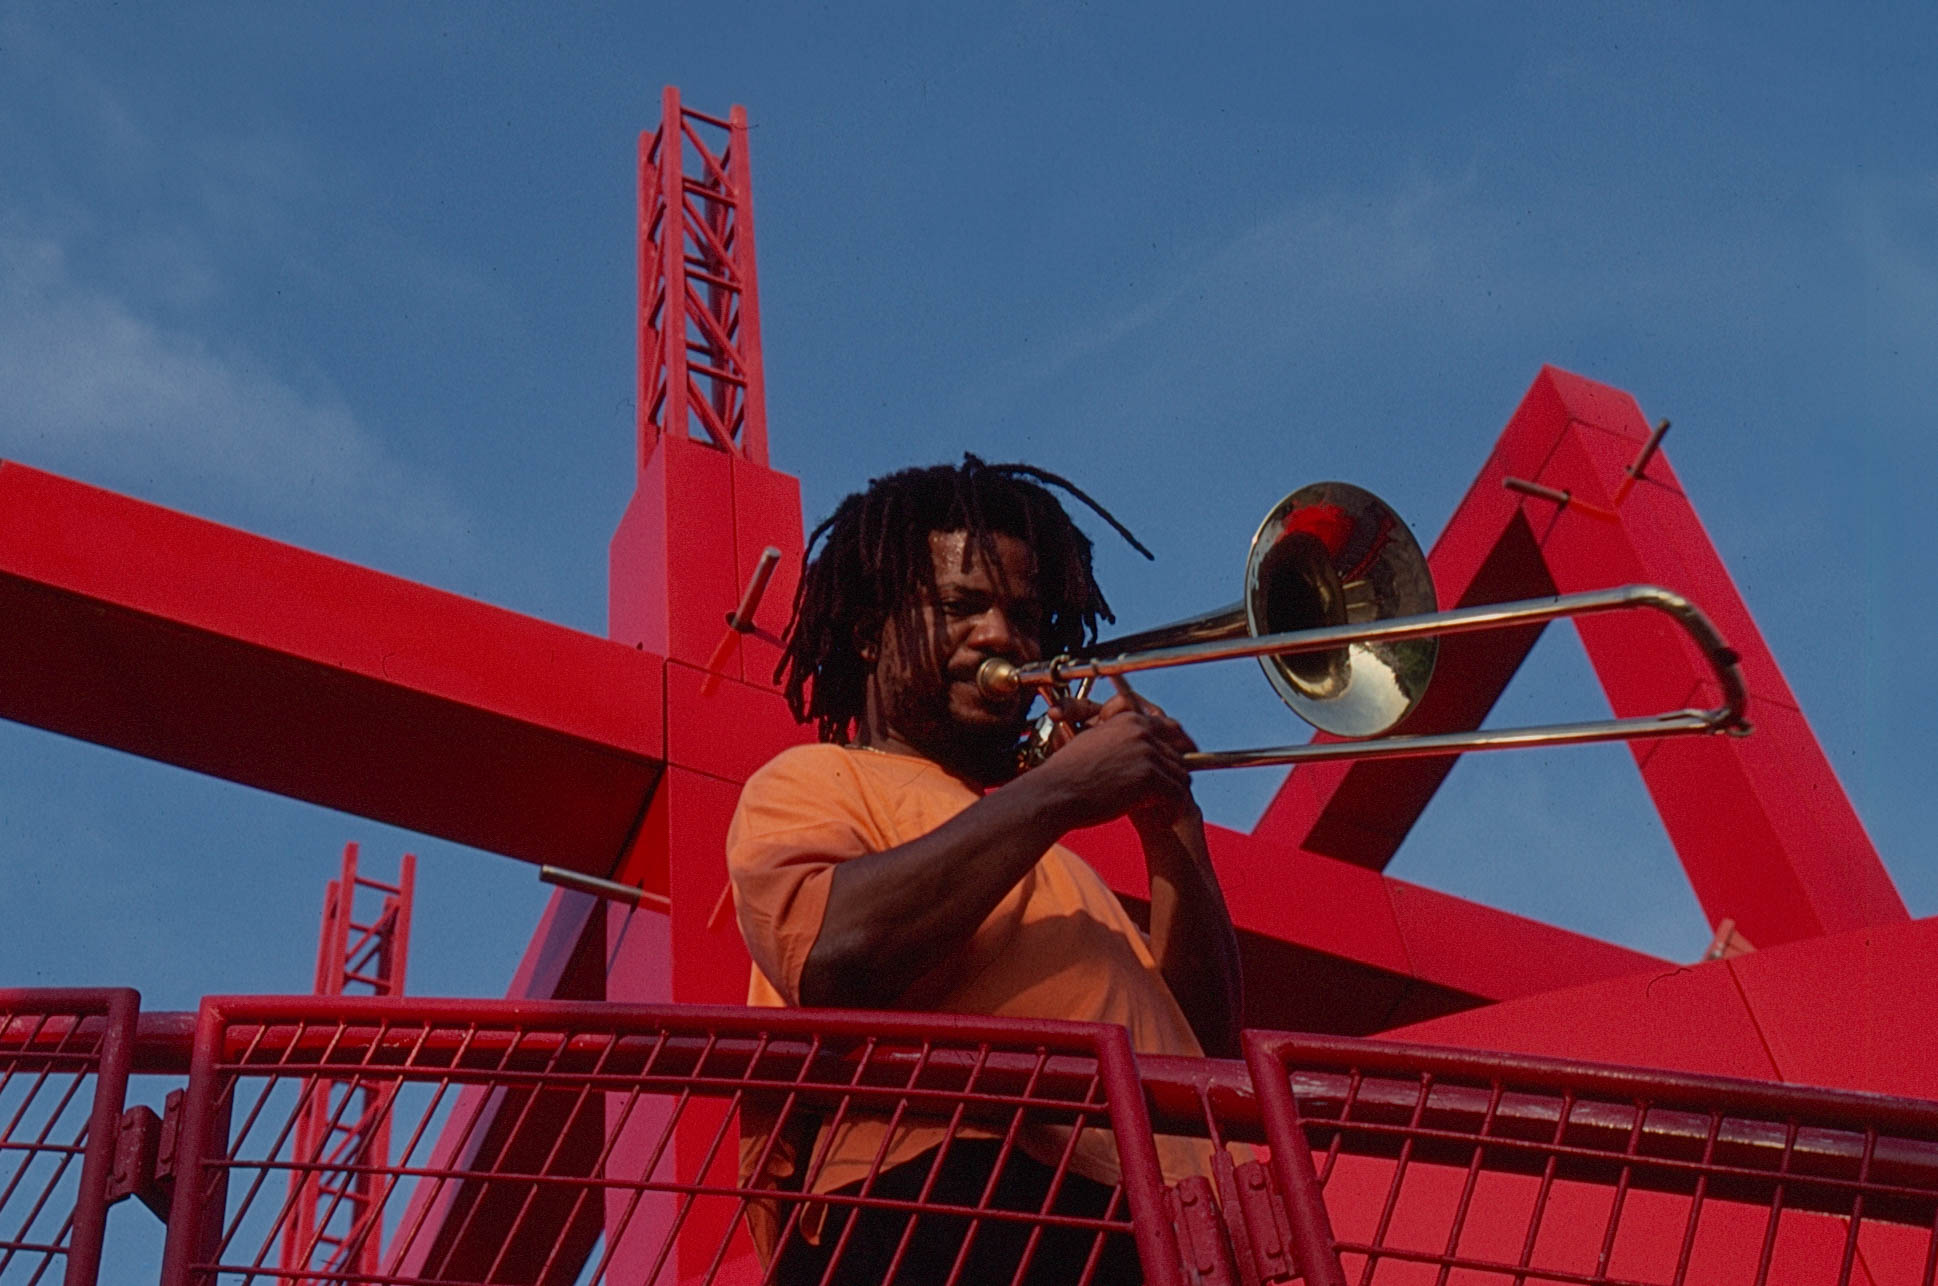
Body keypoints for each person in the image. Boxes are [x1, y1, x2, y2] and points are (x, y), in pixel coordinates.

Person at [725, 456, 1244, 1285]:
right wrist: (1062, 790)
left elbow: (1201, 1046)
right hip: (947, 1203)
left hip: (1162, 1224)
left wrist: (1170, 823)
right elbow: (833, 958)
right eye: (961, 607)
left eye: (1025, 616)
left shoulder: (1055, 861)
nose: (1003, 638)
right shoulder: (813, 779)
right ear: (869, 633)